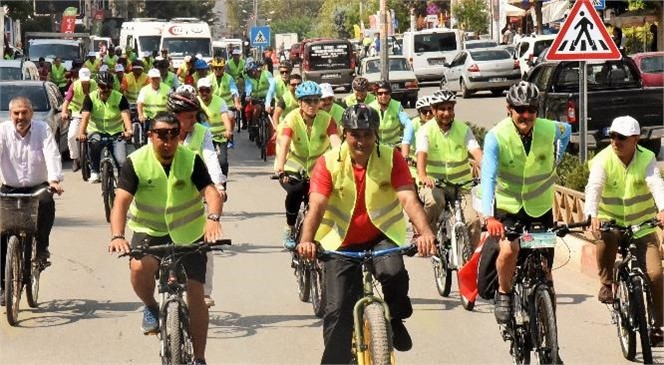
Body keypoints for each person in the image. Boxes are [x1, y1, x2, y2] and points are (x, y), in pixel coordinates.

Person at [296, 104, 437, 364]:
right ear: (345, 133)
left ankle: (395, 318)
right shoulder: (327, 163)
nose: (361, 141)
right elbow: (316, 205)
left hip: (381, 235)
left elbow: (408, 197)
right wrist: (306, 241)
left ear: (376, 134)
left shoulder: (391, 158)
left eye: (367, 134)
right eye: (355, 135)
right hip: (339, 241)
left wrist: (425, 232)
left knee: (393, 274)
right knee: (338, 311)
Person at [108, 111, 223, 365]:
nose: (168, 141)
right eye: (161, 135)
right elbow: (121, 203)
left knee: (196, 295)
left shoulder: (190, 160)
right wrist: (118, 235)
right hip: (149, 231)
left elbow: (211, 192)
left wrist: (213, 219)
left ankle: (200, 358)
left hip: (190, 232)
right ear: (150, 136)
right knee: (139, 266)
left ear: (179, 137)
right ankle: (150, 305)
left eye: (173, 135)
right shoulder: (136, 161)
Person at [481, 81, 571, 326]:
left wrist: (556, 158)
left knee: (545, 272)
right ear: (508, 108)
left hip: (540, 208)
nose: (527, 115)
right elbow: (487, 178)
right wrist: (489, 217)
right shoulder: (496, 137)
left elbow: (568, 131)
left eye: (532, 109)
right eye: (520, 109)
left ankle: (548, 333)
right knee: (510, 249)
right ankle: (504, 292)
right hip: (508, 208)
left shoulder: (550, 129)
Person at [584, 115, 664, 347]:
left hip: (641, 225)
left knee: (656, 274)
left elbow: (656, 185)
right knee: (606, 238)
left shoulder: (647, 159)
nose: (615, 141)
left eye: (622, 137)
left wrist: (662, 209)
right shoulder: (603, 159)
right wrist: (593, 215)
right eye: (612, 136)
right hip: (611, 221)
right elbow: (594, 187)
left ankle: (658, 326)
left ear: (636, 139)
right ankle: (607, 283)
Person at [0, 96, 65, 306]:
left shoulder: (42, 129)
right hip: (9, 186)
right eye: (16, 113)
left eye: (24, 112)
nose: (21, 117)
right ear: (11, 115)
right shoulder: (2, 131)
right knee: (2, 235)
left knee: (46, 203)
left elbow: (52, 153)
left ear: (31, 112)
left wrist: (54, 179)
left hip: (38, 185)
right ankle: (4, 286)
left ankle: (42, 245)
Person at [168, 90, 226, 308]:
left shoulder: (202, 132)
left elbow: (210, 158)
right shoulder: (162, 131)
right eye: (189, 116)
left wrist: (218, 185)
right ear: (175, 115)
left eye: (195, 116)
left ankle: (204, 291)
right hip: (168, 194)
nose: (194, 121)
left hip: (197, 191)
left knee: (205, 242)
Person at [275, 81, 341, 250]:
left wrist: (343, 164)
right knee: (296, 191)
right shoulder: (291, 119)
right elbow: (285, 144)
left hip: (317, 167)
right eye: (307, 101)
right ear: (300, 103)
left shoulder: (327, 119)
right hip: (292, 164)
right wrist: (281, 168)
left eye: (315, 100)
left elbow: (337, 145)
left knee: (323, 200)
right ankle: (289, 228)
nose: (312, 105)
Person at [415, 89, 483, 247]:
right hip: (435, 185)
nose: (447, 113)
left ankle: (470, 264)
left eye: (450, 108)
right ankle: (430, 238)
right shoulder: (426, 130)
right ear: (433, 110)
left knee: (473, 222)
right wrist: (423, 175)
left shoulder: (463, 129)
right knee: (433, 202)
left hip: (462, 185)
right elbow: (421, 154)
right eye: (442, 109)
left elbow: (476, 152)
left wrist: (488, 169)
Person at [77, 72, 133, 183]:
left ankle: (122, 183)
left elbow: (125, 115)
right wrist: (81, 133)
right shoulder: (90, 98)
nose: (106, 89)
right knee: (94, 143)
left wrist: (129, 130)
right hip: (96, 130)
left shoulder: (119, 97)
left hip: (116, 133)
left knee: (121, 161)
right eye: (102, 86)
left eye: (109, 87)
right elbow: (85, 117)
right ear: (97, 86)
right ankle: (95, 171)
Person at [197, 78, 233, 196]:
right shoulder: (195, 102)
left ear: (211, 90)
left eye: (207, 90)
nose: (204, 93)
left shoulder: (220, 101)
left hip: (219, 137)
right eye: (201, 90)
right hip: (202, 138)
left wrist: (228, 130)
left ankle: (222, 184)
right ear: (198, 91)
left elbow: (225, 117)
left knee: (222, 162)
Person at [61, 68, 98, 172]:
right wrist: (64, 112)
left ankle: (95, 159)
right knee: (72, 136)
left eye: (87, 80)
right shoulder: (74, 85)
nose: (85, 82)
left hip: (92, 114)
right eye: (83, 81)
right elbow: (66, 101)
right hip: (77, 114)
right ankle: (75, 159)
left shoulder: (94, 84)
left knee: (96, 137)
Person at [367, 80, 414, 158]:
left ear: (390, 93)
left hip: (394, 147)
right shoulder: (370, 108)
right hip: (376, 147)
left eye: (386, 93)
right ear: (376, 94)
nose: (383, 96)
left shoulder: (397, 106)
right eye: (380, 93)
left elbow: (408, 124)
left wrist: (405, 143)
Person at [207, 57, 241, 133]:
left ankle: (230, 134)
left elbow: (234, 91)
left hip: (227, 106)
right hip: (212, 105)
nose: (218, 70)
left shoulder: (229, 78)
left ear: (224, 68)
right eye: (215, 68)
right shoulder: (208, 79)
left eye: (220, 68)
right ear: (212, 68)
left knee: (231, 117)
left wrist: (236, 103)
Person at [244, 60, 276, 132]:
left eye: (249, 72)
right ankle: (254, 125)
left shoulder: (267, 74)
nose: (248, 74)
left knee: (272, 112)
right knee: (257, 109)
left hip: (268, 98)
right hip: (256, 99)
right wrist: (248, 95)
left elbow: (273, 85)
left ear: (254, 70)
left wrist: (272, 97)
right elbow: (248, 88)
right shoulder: (249, 78)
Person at [406, 96, 434, 178]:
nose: (428, 114)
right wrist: (405, 157)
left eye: (431, 111)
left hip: (433, 167)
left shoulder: (440, 125)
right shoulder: (413, 124)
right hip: (414, 165)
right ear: (419, 112)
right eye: (424, 111)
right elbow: (406, 141)